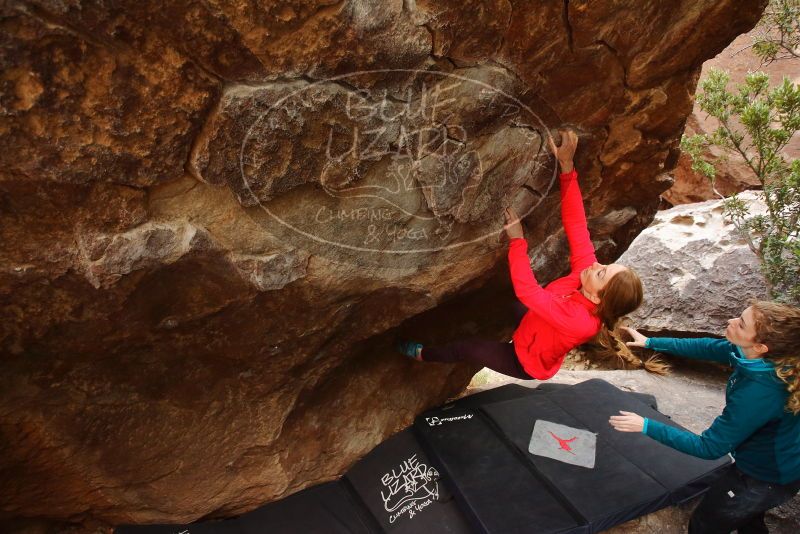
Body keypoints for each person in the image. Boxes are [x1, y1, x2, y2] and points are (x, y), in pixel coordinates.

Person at [396, 129, 646, 380]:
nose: (596, 265)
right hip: (534, 323)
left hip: (524, 360)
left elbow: (528, 291)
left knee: (467, 348)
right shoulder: (587, 273)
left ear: (597, 297)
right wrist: (567, 167)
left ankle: (423, 354)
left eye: (601, 273)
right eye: (605, 265)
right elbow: (577, 226)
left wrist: (517, 241)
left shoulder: (580, 322)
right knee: (509, 302)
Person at [609, 301, 800, 534]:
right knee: (748, 520)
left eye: (741, 324)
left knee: (704, 524)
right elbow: (708, 347)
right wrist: (651, 342)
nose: (730, 321)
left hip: (764, 477)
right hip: (769, 461)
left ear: (760, 347)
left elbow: (709, 448)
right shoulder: (754, 356)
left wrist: (646, 425)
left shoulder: (760, 392)